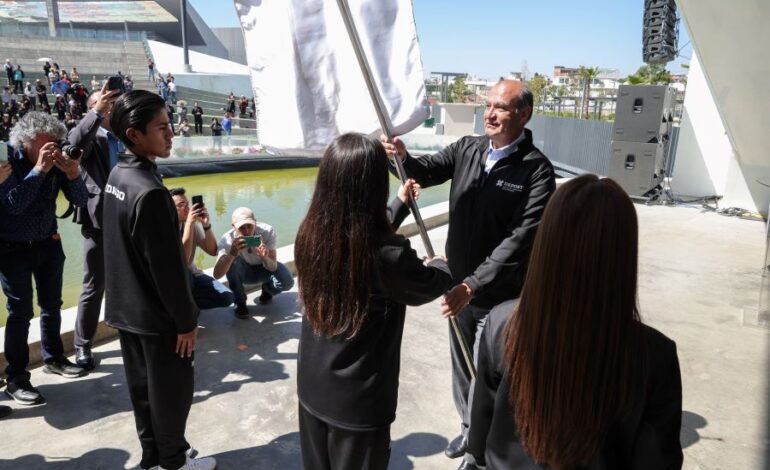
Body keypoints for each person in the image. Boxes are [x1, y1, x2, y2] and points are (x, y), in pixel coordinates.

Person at [381, 79, 556, 466]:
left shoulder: (537, 171)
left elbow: (520, 239)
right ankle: (468, 430)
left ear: (524, 114)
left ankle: (484, 448)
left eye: (501, 107)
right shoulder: (468, 149)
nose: (490, 114)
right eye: (488, 105)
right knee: (463, 366)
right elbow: (423, 172)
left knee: (491, 374)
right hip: (458, 285)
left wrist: (472, 285)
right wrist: (403, 156)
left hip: (500, 295)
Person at [467, 175, 683, 469]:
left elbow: (479, 440)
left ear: (546, 244)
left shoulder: (502, 325)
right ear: (623, 256)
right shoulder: (655, 356)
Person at [295, 133, 453, 469]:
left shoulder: (309, 234)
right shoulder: (389, 256)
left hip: (312, 386)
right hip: (357, 400)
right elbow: (427, 284)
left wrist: (398, 206)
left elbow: (358, 241)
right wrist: (441, 265)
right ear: (372, 185)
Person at [103, 90, 216, 470]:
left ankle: (152, 456)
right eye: (162, 128)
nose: (171, 135)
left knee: (144, 392)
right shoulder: (149, 192)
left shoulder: (119, 175)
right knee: (170, 393)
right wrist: (185, 321)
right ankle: (174, 462)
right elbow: (168, 270)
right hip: (156, 316)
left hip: (126, 310)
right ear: (134, 135)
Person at [0, 112, 89, 405]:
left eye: (56, 142)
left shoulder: (56, 162)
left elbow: (78, 201)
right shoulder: (7, 162)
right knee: (20, 313)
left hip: (49, 242)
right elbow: (14, 205)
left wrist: (73, 173)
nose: (54, 148)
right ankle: (16, 379)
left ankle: (55, 358)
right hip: (13, 249)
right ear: (26, 142)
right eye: (47, 143)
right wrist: (38, 170)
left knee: (52, 305)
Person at [68, 84, 122, 370]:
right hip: (100, 220)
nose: (109, 107)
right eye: (103, 103)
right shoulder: (90, 136)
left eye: (111, 103)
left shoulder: (126, 134)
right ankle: (82, 345)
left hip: (128, 217)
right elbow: (72, 144)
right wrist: (95, 114)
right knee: (94, 284)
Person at [212, 206, 294, 318]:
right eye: (241, 227)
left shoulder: (267, 231)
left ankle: (268, 291)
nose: (246, 231)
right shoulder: (227, 239)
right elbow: (217, 275)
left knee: (287, 281)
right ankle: (240, 302)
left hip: (265, 269)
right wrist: (232, 254)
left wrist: (265, 257)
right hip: (245, 273)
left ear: (255, 223)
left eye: (249, 226)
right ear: (234, 227)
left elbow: (273, 267)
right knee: (233, 262)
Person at [170, 187, 234, 310]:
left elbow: (212, 251)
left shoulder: (192, 226)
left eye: (188, 204)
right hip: (177, 278)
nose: (187, 208)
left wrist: (206, 225)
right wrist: (189, 223)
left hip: (193, 275)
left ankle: (189, 306)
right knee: (185, 276)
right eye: (181, 205)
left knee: (227, 297)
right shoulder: (166, 229)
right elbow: (182, 261)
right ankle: (185, 309)